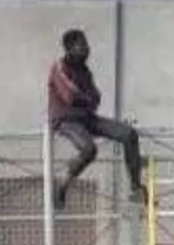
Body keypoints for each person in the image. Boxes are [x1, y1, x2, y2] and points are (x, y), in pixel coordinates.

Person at [47, 29, 146, 208]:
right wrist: (86, 99)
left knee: (129, 134)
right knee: (89, 149)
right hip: (65, 120)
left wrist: (86, 100)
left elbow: (96, 97)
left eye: (87, 46)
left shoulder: (84, 70)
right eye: (82, 46)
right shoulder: (59, 67)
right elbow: (70, 95)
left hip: (86, 117)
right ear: (69, 49)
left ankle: (136, 187)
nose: (87, 50)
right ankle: (63, 184)